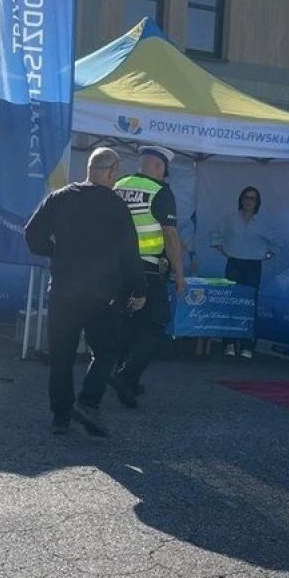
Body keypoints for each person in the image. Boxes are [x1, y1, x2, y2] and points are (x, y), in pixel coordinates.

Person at [23, 147, 147, 438]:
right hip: (102, 295)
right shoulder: (117, 206)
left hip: (64, 291)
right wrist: (138, 289)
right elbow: (130, 253)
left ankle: (61, 418)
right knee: (106, 352)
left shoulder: (60, 197)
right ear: (113, 171)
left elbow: (32, 235)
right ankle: (88, 402)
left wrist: (54, 253)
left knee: (62, 356)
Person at [112, 146, 187, 403]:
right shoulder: (160, 191)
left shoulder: (119, 184)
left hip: (116, 268)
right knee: (155, 326)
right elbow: (170, 234)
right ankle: (127, 376)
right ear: (158, 166)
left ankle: (123, 378)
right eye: (165, 169)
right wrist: (179, 273)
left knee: (126, 324)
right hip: (148, 270)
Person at [210, 185, 281, 359]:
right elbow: (215, 234)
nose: (249, 201)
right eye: (246, 198)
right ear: (241, 200)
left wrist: (268, 254)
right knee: (231, 304)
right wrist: (223, 250)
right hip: (234, 264)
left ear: (258, 202)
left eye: (253, 198)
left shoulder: (263, 223)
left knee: (249, 305)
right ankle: (229, 344)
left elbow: (277, 242)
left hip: (253, 266)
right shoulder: (230, 219)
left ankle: (247, 346)